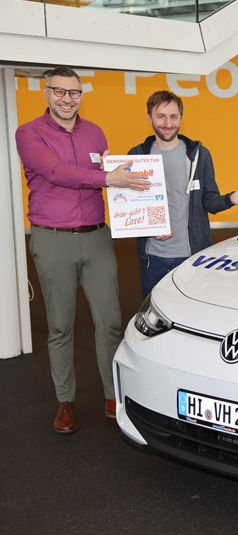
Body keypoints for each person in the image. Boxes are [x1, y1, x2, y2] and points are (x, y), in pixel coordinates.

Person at [16, 66, 151, 433]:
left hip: (96, 236)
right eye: (59, 91)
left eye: (74, 92)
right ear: (46, 93)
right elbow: (57, 172)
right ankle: (66, 402)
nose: (67, 99)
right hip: (52, 237)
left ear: (81, 96)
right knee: (60, 326)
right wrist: (109, 178)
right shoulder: (29, 133)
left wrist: (124, 183)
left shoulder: (95, 132)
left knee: (109, 321)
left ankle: (113, 394)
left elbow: (110, 177)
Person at [127, 90, 238, 297]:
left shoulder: (199, 155)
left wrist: (231, 198)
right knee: (154, 316)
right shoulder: (136, 155)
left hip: (192, 258)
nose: (168, 123)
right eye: (161, 116)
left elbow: (210, 202)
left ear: (181, 118)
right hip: (152, 259)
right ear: (149, 118)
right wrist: (149, 228)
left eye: (173, 117)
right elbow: (131, 207)